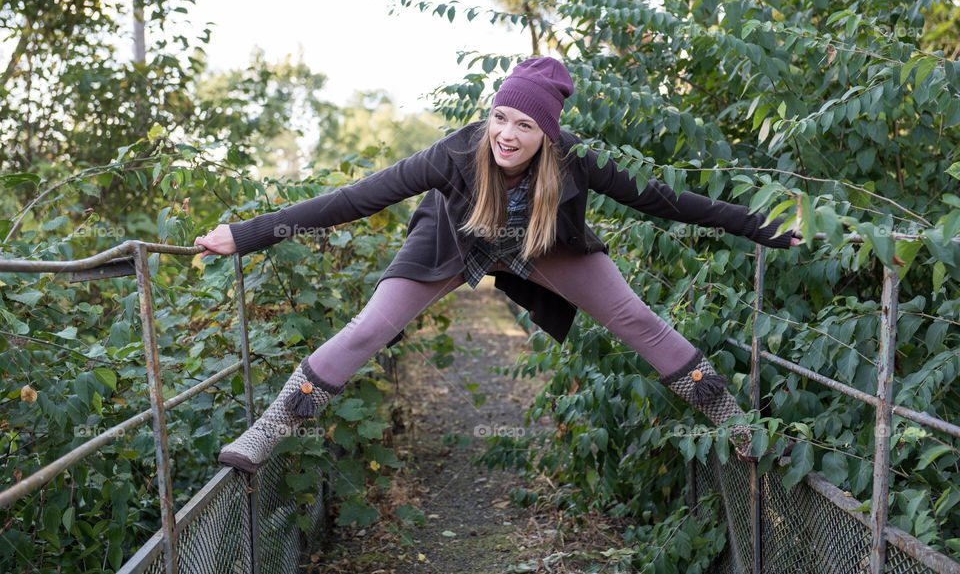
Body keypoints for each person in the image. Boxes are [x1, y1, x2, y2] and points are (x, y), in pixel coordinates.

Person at [195, 57, 800, 474]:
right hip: (452, 240)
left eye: (525, 125)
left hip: (541, 244)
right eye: (500, 118)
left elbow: (665, 199)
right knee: (369, 329)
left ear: (549, 134)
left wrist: (762, 227)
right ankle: (266, 433)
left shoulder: (578, 160)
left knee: (636, 319)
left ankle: (732, 420)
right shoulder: (455, 154)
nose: (507, 134)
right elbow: (355, 199)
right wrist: (244, 235)